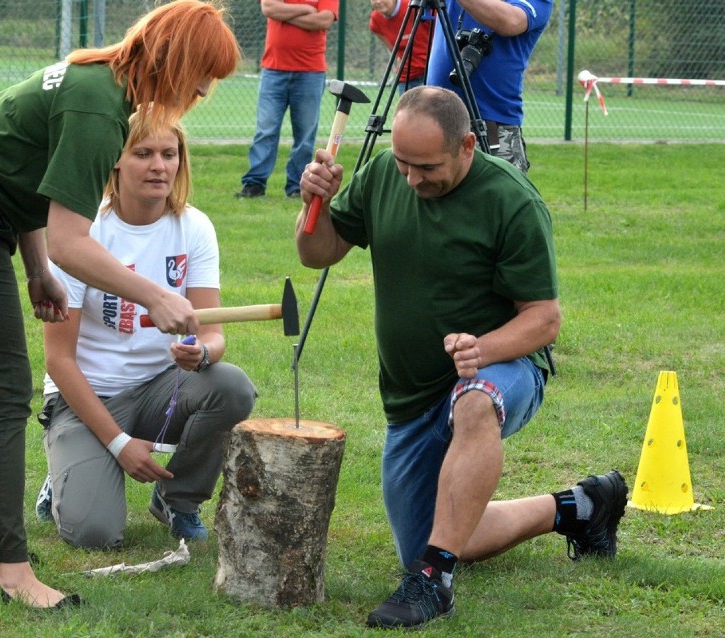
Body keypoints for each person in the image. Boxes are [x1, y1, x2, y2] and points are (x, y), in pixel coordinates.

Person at [0, 0, 239, 610]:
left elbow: (29, 188)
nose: (205, 89)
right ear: (178, 59)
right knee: (2, 391)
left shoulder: (99, 84)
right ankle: (11, 574)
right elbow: (71, 241)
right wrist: (155, 294)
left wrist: (36, 270)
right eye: (202, 74)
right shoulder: (99, 103)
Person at [295, 86, 627, 630]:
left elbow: (544, 318)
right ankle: (582, 507)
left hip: (503, 370)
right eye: (403, 162)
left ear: (468, 145)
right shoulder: (384, 173)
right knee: (439, 535)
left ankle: (434, 584)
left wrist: (483, 348)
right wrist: (316, 205)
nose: (411, 179)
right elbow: (318, 254)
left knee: (475, 400)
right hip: (412, 397)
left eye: (426, 167)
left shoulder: (512, 200)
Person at [38, 115, 256, 549]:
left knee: (232, 387)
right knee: (94, 534)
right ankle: (63, 474)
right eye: (143, 154)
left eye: (168, 154)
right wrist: (119, 444)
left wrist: (203, 354)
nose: (159, 166)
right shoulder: (81, 235)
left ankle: (178, 498)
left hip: (162, 389)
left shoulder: (194, 227)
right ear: (115, 162)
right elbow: (58, 360)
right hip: (88, 397)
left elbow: (212, 334)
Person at [425, 0, 553, 174]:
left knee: (496, 198)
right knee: (431, 197)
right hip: (436, 120)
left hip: (491, 128)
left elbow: (511, 21)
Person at [235, 0, 338, 199]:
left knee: (305, 137)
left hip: (311, 71)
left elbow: (324, 20)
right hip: (274, 69)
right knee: (265, 131)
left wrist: (286, 14)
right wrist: (308, 10)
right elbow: (269, 8)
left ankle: (297, 186)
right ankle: (254, 185)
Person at [369, 0, 432, 94]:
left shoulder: (415, 6)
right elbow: (393, 49)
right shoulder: (376, 20)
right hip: (407, 76)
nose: (378, 1)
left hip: (430, 71)